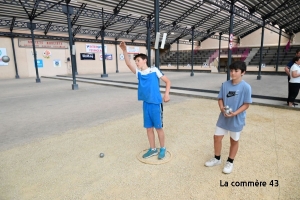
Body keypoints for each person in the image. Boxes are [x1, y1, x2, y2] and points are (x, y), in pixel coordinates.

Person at [119, 41, 171, 160]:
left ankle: (162, 148)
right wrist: (124, 50)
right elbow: (128, 64)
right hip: (146, 104)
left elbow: (168, 81)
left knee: (158, 127)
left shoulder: (154, 70)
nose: (136, 63)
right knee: (148, 128)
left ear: (144, 60)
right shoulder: (139, 74)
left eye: (138, 60)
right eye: (136, 61)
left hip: (156, 104)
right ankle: (152, 149)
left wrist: (166, 94)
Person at [204, 61, 252, 174]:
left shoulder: (246, 87)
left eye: (236, 71)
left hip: (236, 118)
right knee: (217, 137)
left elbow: (246, 104)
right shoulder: (225, 84)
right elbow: (220, 98)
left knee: (234, 140)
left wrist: (235, 113)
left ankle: (230, 161)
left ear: (243, 73)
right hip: (224, 117)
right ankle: (217, 159)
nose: (233, 73)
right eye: (231, 70)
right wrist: (221, 108)